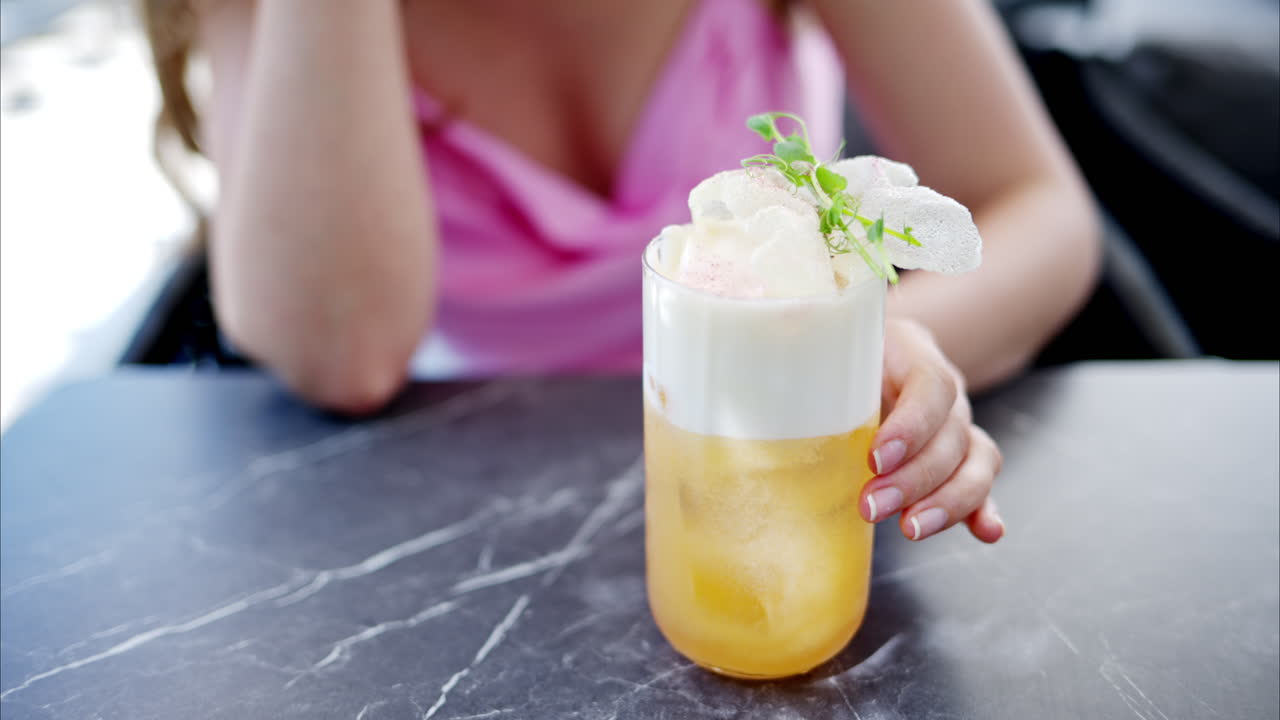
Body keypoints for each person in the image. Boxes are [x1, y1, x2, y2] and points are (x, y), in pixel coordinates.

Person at [140, 0, 1102, 545]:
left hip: (780, 489)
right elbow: (342, 353)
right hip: (466, 526)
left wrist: (885, 345)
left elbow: (1036, 205)